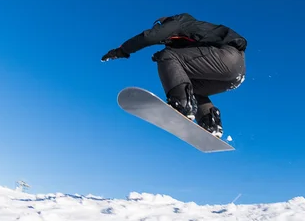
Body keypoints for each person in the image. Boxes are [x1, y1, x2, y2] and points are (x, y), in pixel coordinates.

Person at [101, 13, 246, 138]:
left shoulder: (179, 22)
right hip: (236, 73)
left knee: (167, 56)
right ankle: (210, 124)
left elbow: (151, 37)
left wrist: (121, 50)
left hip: (226, 57)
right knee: (191, 88)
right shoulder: (190, 38)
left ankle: (181, 104)